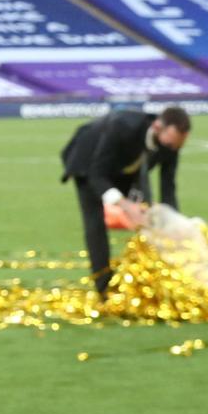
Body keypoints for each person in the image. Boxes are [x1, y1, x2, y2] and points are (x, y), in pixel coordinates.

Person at [60, 106, 191, 294]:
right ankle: (104, 288)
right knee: (95, 222)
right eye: (170, 145)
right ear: (157, 127)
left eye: (177, 146)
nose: (172, 150)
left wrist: (173, 222)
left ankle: (149, 279)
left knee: (146, 215)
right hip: (89, 163)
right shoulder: (123, 127)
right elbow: (98, 175)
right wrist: (126, 205)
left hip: (127, 168)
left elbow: (168, 188)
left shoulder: (171, 145)